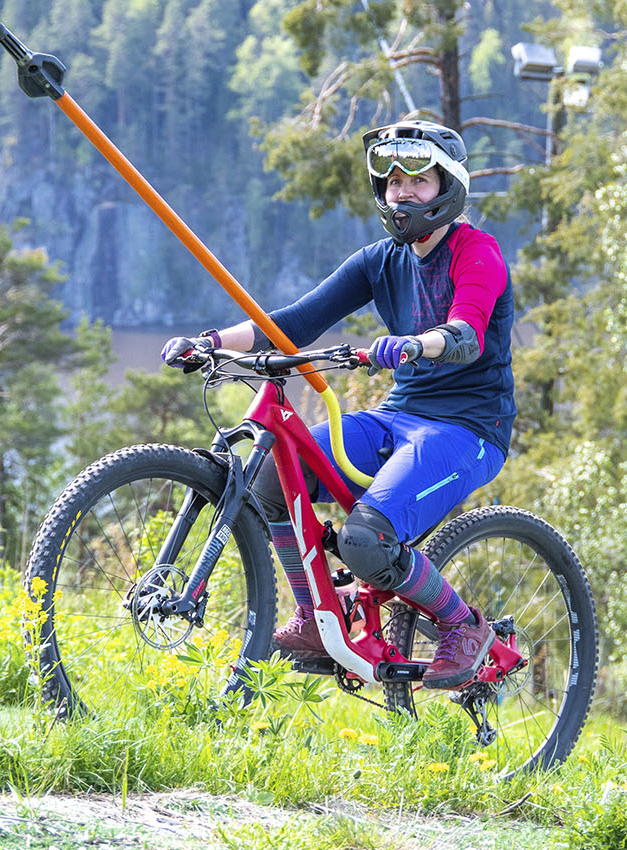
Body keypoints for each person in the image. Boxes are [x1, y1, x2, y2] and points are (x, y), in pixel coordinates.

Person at [161, 120, 514, 690]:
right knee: (273, 479)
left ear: (447, 184)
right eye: (392, 180)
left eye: (417, 180)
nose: (401, 192)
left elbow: (466, 333)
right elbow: (294, 323)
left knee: (366, 538)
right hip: (397, 418)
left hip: (468, 429)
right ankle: (312, 615)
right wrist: (211, 342)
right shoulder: (380, 260)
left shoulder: (477, 253)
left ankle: (463, 626)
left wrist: (414, 345)